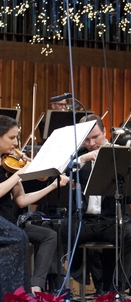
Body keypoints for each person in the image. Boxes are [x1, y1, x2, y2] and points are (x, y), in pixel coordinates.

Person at [72, 114, 131, 294]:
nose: (91, 143)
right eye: (86, 139)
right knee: (57, 231)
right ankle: (57, 287)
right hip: (85, 222)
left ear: (105, 132)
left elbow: (129, 199)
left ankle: (116, 288)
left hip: (112, 221)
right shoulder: (77, 157)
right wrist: (82, 159)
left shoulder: (120, 154)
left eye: (95, 137)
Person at [0, 116, 70, 294]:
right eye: (11, 137)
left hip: (11, 221)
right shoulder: (13, 170)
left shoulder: (8, 164)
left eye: (17, 137)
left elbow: (21, 200)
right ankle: (12, 291)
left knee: (49, 235)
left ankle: (34, 286)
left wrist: (52, 186)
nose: (16, 143)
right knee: (20, 237)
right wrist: (21, 173)